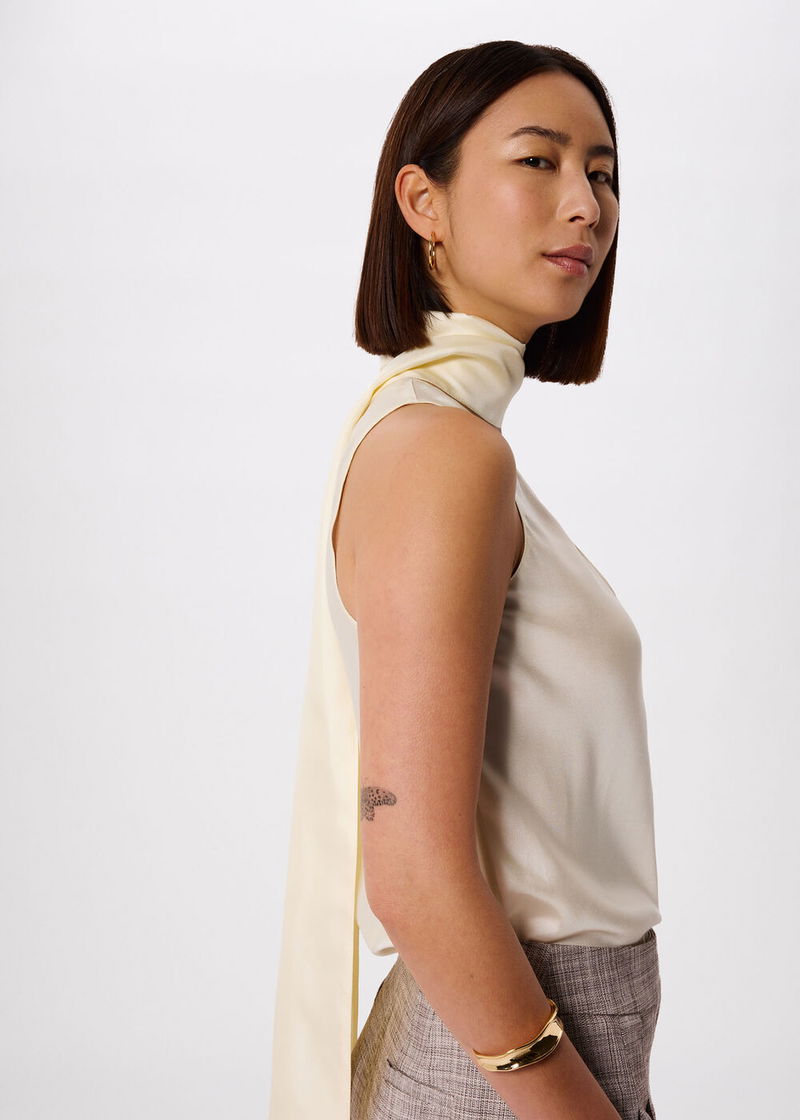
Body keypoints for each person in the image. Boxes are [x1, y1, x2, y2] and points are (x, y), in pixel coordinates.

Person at [269, 40, 662, 1120]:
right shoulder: (444, 451)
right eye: (538, 161)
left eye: (602, 173)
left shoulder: (441, 437)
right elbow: (411, 868)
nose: (585, 205)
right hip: (505, 1050)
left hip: (521, 1036)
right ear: (422, 201)